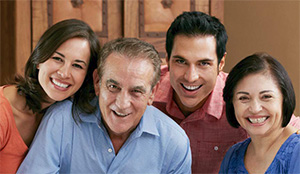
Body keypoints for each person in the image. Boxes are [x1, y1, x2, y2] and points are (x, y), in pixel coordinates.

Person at [152, 11, 300, 173]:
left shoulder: (241, 97)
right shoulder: (144, 92)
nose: (191, 77)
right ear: (167, 59)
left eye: (204, 63)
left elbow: (285, 126)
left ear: (221, 63)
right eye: (181, 61)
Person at [17, 38, 192, 173]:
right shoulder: (62, 121)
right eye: (113, 87)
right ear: (97, 82)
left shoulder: (174, 142)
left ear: (152, 93)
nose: (122, 104)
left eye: (136, 91)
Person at [0, 19, 100, 173]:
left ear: (87, 76)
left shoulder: (66, 113)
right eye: (57, 58)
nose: (64, 73)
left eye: (77, 65)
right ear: (39, 59)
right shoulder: (2, 113)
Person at [219, 52, 300, 173]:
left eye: (266, 96)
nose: (255, 108)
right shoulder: (232, 156)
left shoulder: (297, 152)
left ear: (284, 99)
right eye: (243, 98)